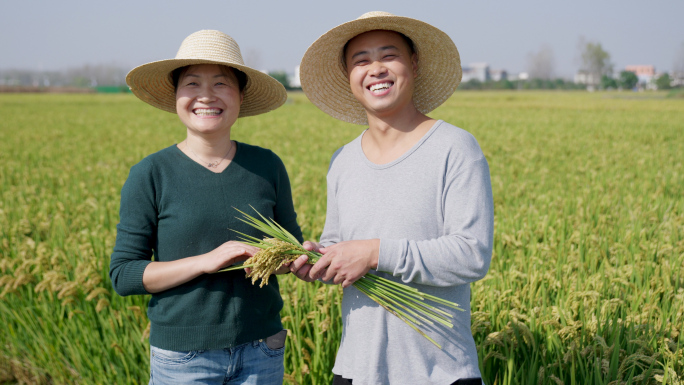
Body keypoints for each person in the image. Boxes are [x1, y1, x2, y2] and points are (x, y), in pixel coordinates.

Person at [289, 12, 494, 385]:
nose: (376, 69)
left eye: (389, 56)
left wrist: (374, 253)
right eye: (361, 60)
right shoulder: (343, 160)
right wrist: (319, 260)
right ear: (348, 76)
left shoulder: (455, 147)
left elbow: (472, 254)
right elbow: (341, 245)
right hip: (355, 369)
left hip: (438, 373)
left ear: (413, 65)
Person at [109, 30, 301, 385]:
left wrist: (300, 258)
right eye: (193, 83)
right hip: (185, 360)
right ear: (177, 96)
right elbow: (124, 275)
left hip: (262, 350)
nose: (206, 96)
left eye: (221, 84)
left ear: (241, 96)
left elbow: (290, 256)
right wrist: (206, 261)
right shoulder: (151, 173)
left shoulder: (267, 166)